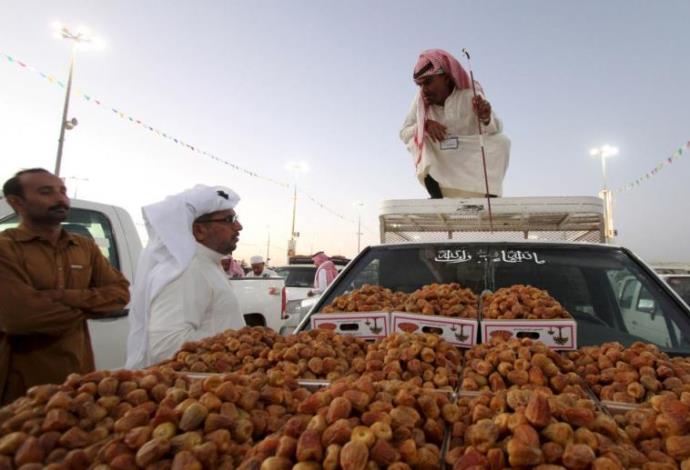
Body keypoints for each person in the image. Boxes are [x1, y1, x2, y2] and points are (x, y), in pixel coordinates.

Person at [0, 169, 130, 404]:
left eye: (63, 191)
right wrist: (91, 306)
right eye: (46, 192)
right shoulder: (6, 248)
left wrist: (60, 296)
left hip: (77, 381)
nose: (60, 198)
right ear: (16, 202)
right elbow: (20, 318)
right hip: (21, 387)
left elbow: (120, 293)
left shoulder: (84, 246)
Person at [126, 184, 245, 369]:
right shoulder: (188, 271)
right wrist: (236, 349)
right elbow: (166, 346)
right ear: (199, 231)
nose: (239, 226)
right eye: (229, 219)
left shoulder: (207, 264)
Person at [400, 49, 511, 199]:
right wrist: (424, 125)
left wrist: (485, 118)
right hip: (442, 156)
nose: (423, 89)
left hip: (468, 156)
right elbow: (404, 133)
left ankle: (487, 194)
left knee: (502, 142)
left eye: (428, 82)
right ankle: (436, 195)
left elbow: (495, 129)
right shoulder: (420, 101)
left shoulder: (469, 94)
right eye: (420, 85)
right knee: (419, 139)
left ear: (446, 78)